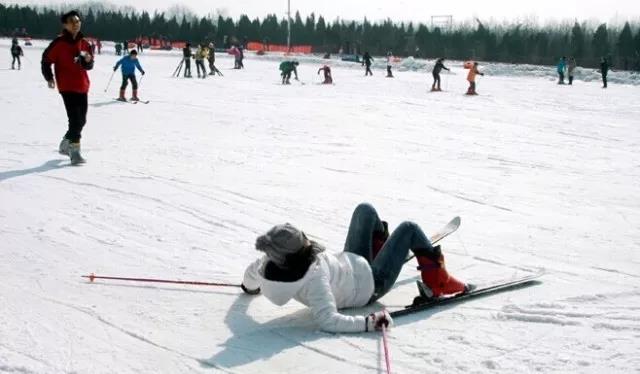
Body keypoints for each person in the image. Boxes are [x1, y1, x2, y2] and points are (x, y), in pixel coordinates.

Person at [241, 203, 468, 333]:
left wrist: (249, 287)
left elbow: (252, 275)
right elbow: (328, 320)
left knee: (364, 210)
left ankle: (384, 251)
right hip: (371, 284)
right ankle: (438, 283)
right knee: (409, 228)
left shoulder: (267, 264)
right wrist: (370, 322)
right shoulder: (315, 281)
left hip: (351, 261)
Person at [41, 10, 94, 165]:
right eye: (72, 21)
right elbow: (45, 60)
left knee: (82, 120)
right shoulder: (59, 43)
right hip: (67, 86)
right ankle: (74, 152)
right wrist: (49, 77)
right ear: (65, 25)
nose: (76, 24)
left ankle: (65, 142)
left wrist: (88, 61)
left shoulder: (85, 43)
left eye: (78, 21)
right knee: (75, 120)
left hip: (82, 85)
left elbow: (88, 66)